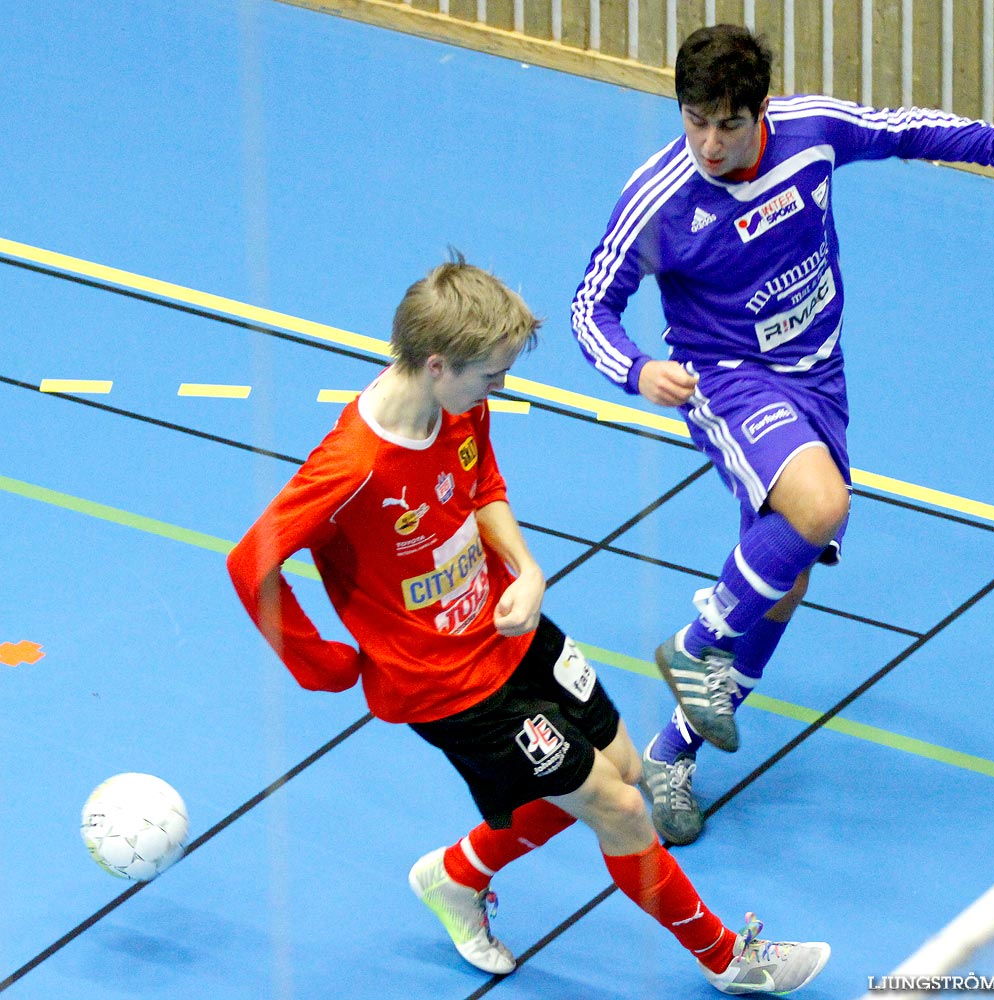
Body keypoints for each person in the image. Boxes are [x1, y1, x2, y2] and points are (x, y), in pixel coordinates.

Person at [226, 253, 831, 995]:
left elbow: (481, 481)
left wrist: (528, 570)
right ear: (438, 364)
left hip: (509, 628)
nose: (500, 388)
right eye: (491, 376)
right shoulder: (351, 468)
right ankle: (729, 960)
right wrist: (318, 661)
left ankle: (455, 875)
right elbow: (249, 562)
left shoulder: (457, 404)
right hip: (445, 687)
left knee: (625, 769)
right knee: (617, 808)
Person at [571, 25, 994, 846]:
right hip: (726, 378)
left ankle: (670, 755)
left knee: (785, 580)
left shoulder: (811, 133)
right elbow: (592, 306)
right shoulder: (658, 202)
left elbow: (900, 129)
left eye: (728, 123)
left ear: (761, 110)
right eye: (694, 119)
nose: (709, 142)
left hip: (818, 379)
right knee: (820, 505)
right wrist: (636, 370)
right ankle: (694, 647)